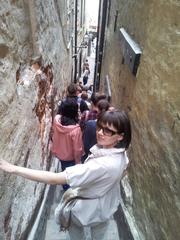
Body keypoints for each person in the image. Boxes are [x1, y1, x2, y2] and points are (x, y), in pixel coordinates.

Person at [0, 110, 131, 240]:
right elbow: (123, 170)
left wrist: (13, 168)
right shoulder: (121, 153)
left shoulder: (100, 166)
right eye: (100, 127)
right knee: (100, 232)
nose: (100, 132)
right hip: (107, 207)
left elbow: (54, 178)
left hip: (86, 209)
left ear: (120, 136)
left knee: (76, 230)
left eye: (107, 131)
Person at [51, 98, 83, 190]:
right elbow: (77, 149)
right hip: (70, 157)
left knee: (64, 169)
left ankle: (65, 187)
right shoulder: (75, 130)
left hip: (59, 153)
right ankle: (69, 189)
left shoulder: (56, 120)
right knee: (70, 175)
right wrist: (78, 162)